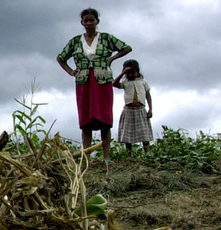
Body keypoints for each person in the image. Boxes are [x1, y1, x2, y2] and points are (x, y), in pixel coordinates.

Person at [56, 8, 131, 161]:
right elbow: (61, 57)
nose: (89, 23)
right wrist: (70, 71)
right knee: (85, 120)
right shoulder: (76, 41)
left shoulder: (106, 38)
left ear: (97, 21)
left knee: (104, 118)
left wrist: (111, 59)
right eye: (86, 21)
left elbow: (126, 48)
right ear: (81, 23)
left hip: (102, 81)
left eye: (92, 20)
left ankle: (106, 157)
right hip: (84, 82)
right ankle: (87, 157)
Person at [113, 59, 153, 152]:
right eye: (128, 73)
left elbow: (148, 95)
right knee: (128, 133)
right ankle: (129, 154)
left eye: (132, 72)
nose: (130, 75)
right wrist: (123, 73)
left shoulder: (143, 82)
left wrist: (150, 109)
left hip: (141, 109)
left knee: (144, 133)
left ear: (137, 71)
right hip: (128, 110)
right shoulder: (125, 83)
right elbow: (114, 84)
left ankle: (147, 153)